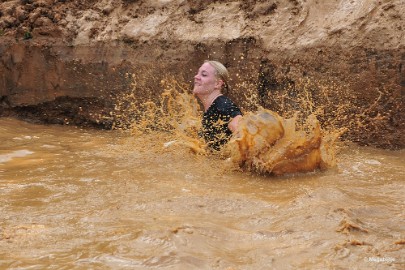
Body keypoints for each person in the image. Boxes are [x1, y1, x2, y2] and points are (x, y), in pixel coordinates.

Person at [193, 60, 243, 150]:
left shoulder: (223, 105)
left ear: (217, 83)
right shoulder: (213, 107)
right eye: (198, 73)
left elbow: (241, 130)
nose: (196, 77)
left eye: (203, 74)